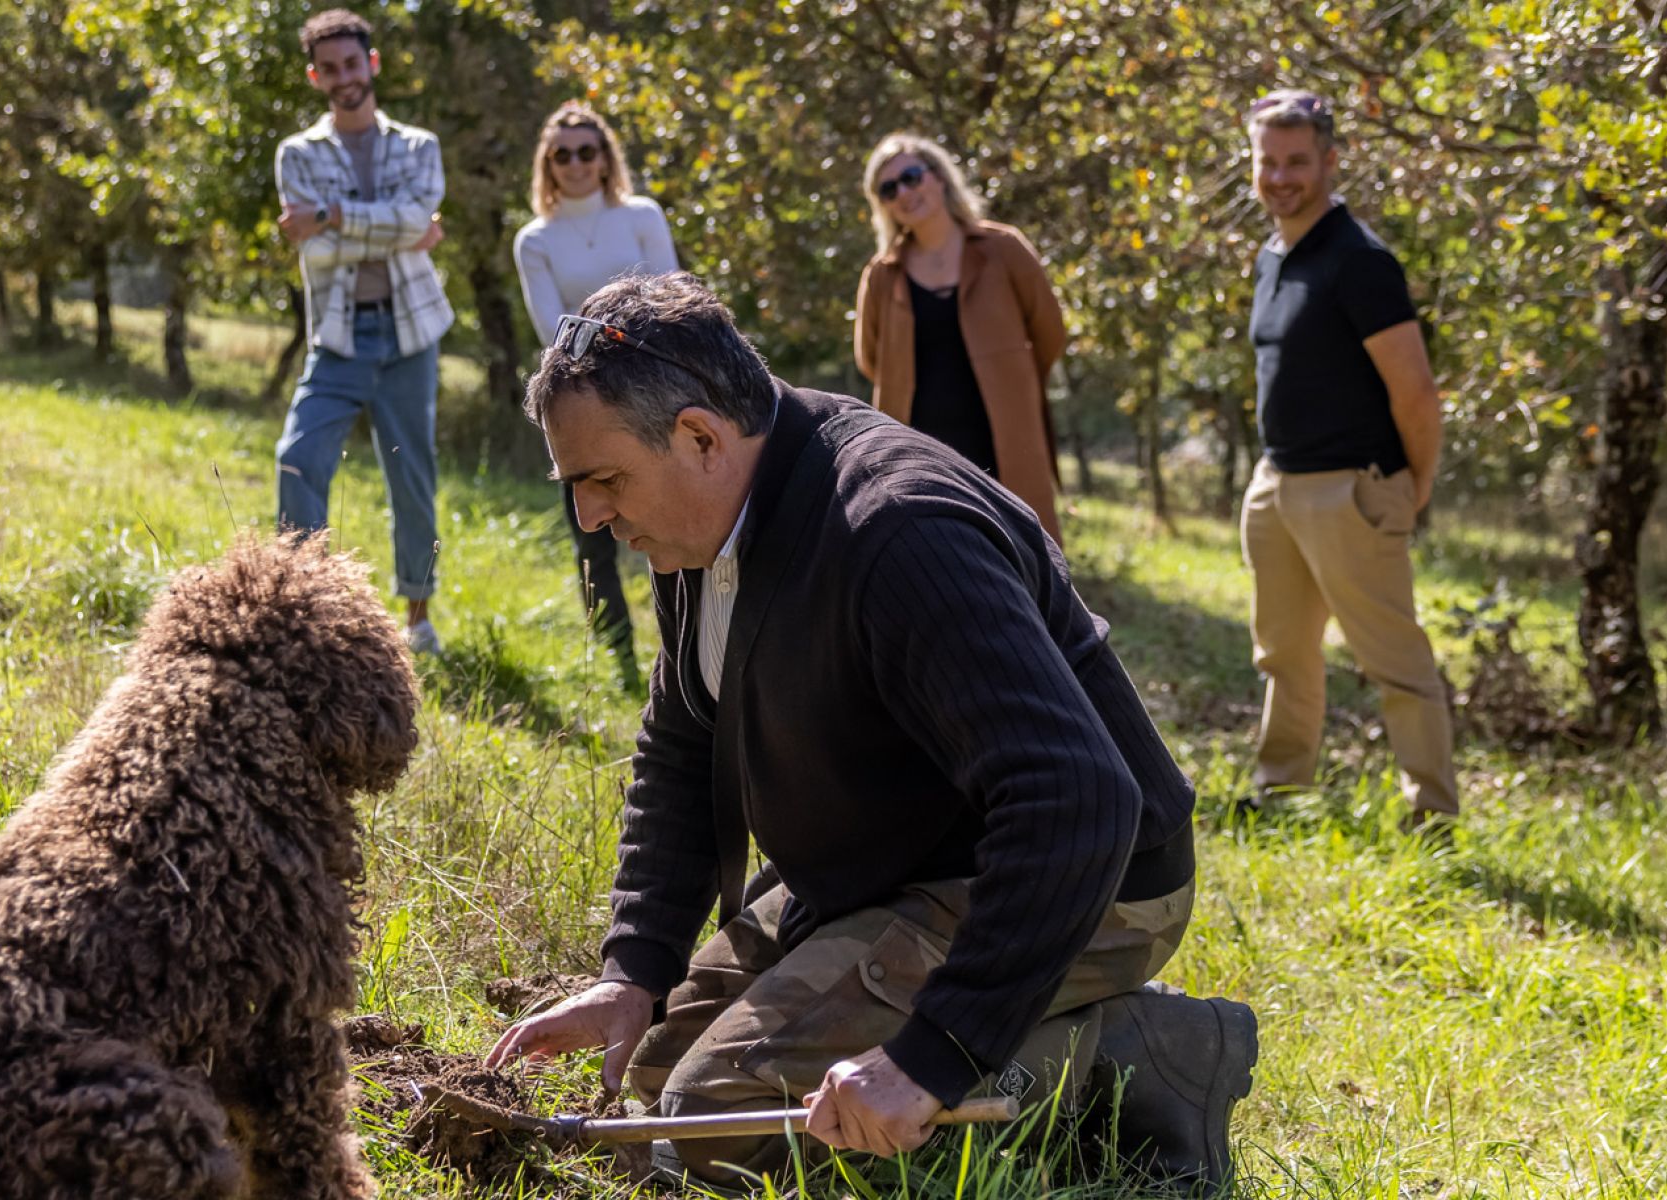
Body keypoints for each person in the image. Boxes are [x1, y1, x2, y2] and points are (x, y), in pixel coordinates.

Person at [485, 272, 1257, 1192]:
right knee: (652, 1084)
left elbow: (1076, 801)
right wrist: (635, 969)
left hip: (1080, 879)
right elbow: (688, 738)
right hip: (892, 864)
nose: (590, 516)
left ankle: (1120, 1057)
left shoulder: (896, 531)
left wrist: (930, 1059)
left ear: (699, 436)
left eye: (604, 481)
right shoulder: (708, 519)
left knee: (710, 1130)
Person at [1239, 90, 1459, 829]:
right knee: (1283, 655)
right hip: (1276, 486)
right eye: (1267, 161)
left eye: (1296, 161)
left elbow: (1417, 394)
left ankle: (1431, 814)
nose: (1279, 177)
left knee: (1394, 664)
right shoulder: (1274, 255)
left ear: (1330, 162)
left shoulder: (1359, 262)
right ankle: (1280, 791)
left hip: (1350, 490)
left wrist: (1412, 487)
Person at [273, 8, 452, 655]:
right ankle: (304, 609)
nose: (343, 76)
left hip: (410, 336)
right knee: (297, 458)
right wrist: (400, 227)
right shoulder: (297, 154)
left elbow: (393, 225)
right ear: (315, 76)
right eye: (330, 68)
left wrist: (328, 216)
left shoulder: (417, 146)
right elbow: (328, 249)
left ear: (370, 64)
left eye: (352, 63)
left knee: (412, 476)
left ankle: (418, 615)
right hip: (342, 336)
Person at [513, 102, 679, 682]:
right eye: (563, 154)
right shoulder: (534, 239)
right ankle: (620, 664)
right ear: (548, 164)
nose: (577, 163)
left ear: (606, 157)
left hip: (656, 389)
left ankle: (683, 656)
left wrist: (631, 361)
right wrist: (611, 355)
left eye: (588, 150)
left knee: (677, 523)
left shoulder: (640, 214)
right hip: (578, 404)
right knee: (596, 536)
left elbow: (667, 294)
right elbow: (549, 329)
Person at [853, 134, 1067, 542]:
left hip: (1006, 440)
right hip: (921, 449)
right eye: (889, 188)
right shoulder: (882, 275)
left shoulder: (1004, 249)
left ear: (939, 177)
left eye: (912, 177)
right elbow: (870, 359)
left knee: (1027, 557)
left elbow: (1049, 332)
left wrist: (1013, 380)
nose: (904, 193)